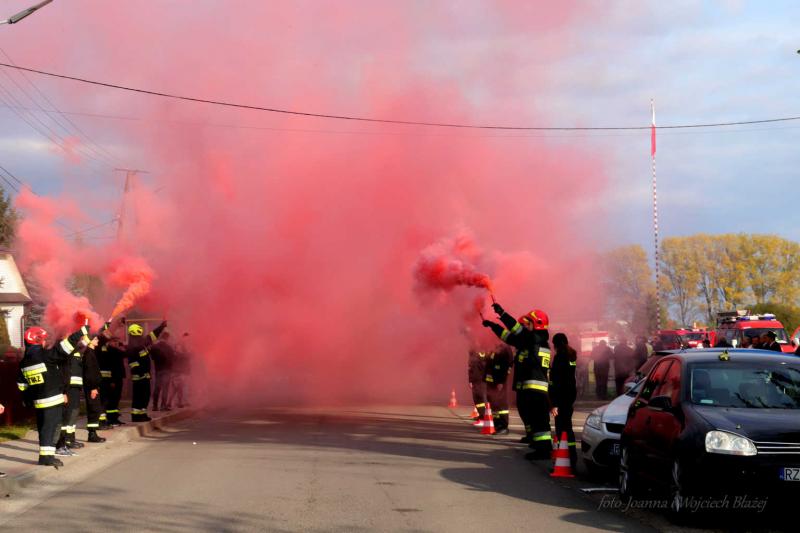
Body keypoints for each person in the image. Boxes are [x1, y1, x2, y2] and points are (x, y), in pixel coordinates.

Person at [17, 326, 96, 467]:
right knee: (51, 428)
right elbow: (65, 346)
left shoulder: (24, 362)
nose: (45, 342)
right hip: (52, 399)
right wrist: (82, 331)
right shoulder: (45, 355)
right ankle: (46, 459)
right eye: (43, 339)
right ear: (38, 340)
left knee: (44, 428)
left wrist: (27, 399)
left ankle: (46, 456)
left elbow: (22, 385)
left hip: (39, 402)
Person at [483, 303, 552, 459]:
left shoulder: (536, 339)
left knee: (539, 420)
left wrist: (502, 313)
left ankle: (543, 450)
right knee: (533, 418)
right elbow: (509, 337)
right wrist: (493, 326)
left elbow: (517, 330)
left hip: (536, 389)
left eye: (529, 323)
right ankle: (537, 444)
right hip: (530, 388)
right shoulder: (532, 340)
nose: (525, 326)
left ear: (537, 324)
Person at [126, 320, 168, 422]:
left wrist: (161, 326)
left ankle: (143, 414)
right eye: (139, 334)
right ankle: (136, 416)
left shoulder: (141, 343)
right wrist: (139, 372)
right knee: (138, 397)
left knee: (145, 396)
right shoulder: (132, 347)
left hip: (145, 376)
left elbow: (153, 335)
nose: (141, 336)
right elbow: (132, 363)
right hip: (139, 377)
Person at [550, 333, 577, 468]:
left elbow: (556, 381)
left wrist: (554, 404)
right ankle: (572, 459)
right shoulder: (571, 355)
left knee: (561, 430)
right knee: (568, 429)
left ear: (556, 344)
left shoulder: (560, 357)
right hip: (570, 396)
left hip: (561, 397)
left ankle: (565, 461)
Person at [484, 344, 513, 434]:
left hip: (499, 381)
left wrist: (501, 381)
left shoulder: (505, 348)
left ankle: (503, 426)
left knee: (501, 404)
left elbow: (508, 365)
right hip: (491, 382)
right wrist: (485, 378)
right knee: (494, 404)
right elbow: (488, 364)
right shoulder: (494, 346)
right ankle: (497, 424)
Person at [151, 332, 175, 411]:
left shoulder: (155, 347)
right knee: (165, 388)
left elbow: (152, 358)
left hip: (158, 370)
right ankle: (163, 406)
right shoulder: (169, 348)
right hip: (167, 370)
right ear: (167, 338)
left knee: (157, 387)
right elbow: (172, 360)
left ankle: (155, 406)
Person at [467, 348, 488, 424]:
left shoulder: (486, 351)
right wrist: (470, 380)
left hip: (483, 379)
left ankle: (485, 416)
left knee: (482, 397)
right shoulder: (472, 352)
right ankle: (482, 415)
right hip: (475, 379)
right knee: (477, 398)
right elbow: (470, 368)